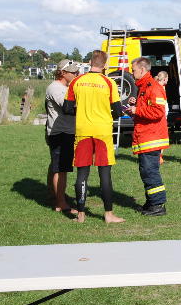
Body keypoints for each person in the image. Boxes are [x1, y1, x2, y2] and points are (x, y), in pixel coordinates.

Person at [63, 50, 125, 224]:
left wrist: (82, 111)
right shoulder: (109, 82)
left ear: (90, 62)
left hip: (82, 130)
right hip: (103, 132)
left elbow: (67, 109)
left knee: (82, 173)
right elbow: (118, 111)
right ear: (104, 65)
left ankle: (81, 214)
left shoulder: (76, 81)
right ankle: (108, 214)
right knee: (104, 173)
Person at [129, 57, 169, 216]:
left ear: (142, 70)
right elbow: (148, 108)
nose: (131, 72)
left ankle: (158, 205)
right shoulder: (144, 86)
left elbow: (158, 112)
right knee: (146, 171)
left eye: (133, 69)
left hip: (151, 137)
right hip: (146, 136)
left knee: (150, 171)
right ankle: (151, 202)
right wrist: (135, 106)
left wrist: (136, 110)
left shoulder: (153, 87)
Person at [45, 59, 79, 214]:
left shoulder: (63, 87)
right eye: (72, 72)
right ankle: (61, 202)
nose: (76, 74)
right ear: (63, 73)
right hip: (60, 133)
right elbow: (68, 108)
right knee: (61, 169)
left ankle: (54, 195)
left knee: (56, 166)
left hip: (63, 131)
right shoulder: (56, 88)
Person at [155, 71, 169, 165]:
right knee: (161, 137)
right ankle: (158, 157)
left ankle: (159, 157)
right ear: (164, 79)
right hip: (160, 117)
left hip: (161, 116)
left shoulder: (156, 87)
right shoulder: (160, 89)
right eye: (167, 78)